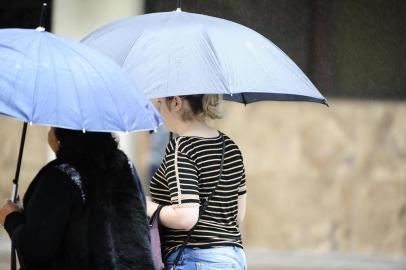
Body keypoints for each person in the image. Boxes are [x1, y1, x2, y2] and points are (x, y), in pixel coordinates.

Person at [0, 128, 154, 270]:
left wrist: (11, 218)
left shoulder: (60, 178)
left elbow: (36, 248)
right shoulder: (125, 166)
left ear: (64, 134)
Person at [147, 95, 247, 270]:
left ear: (176, 102)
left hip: (196, 259)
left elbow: (186, 217)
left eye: (160, 102)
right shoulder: (230, 146)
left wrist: (147, 205)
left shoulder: (182, 147)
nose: (158, 109)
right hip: (233, 257)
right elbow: (237, 215)